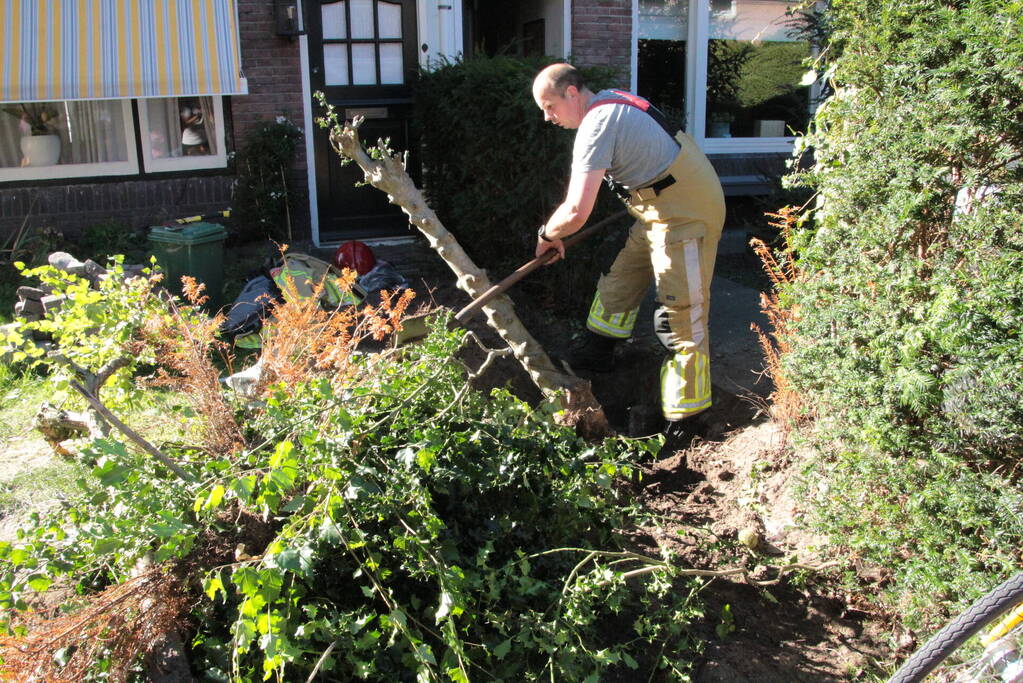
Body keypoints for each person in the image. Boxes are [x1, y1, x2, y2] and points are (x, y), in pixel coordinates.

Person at [532, 63, 726, 441]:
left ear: (572, 92)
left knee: (679, 316)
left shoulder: (598, 122)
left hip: (686, 212)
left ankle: (688, 418)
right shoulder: (608, 102)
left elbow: (575, 211)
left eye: (550, 106)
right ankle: (600, 349)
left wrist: (547, 234)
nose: (547, 117)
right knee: (620, 276)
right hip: (656, 207)